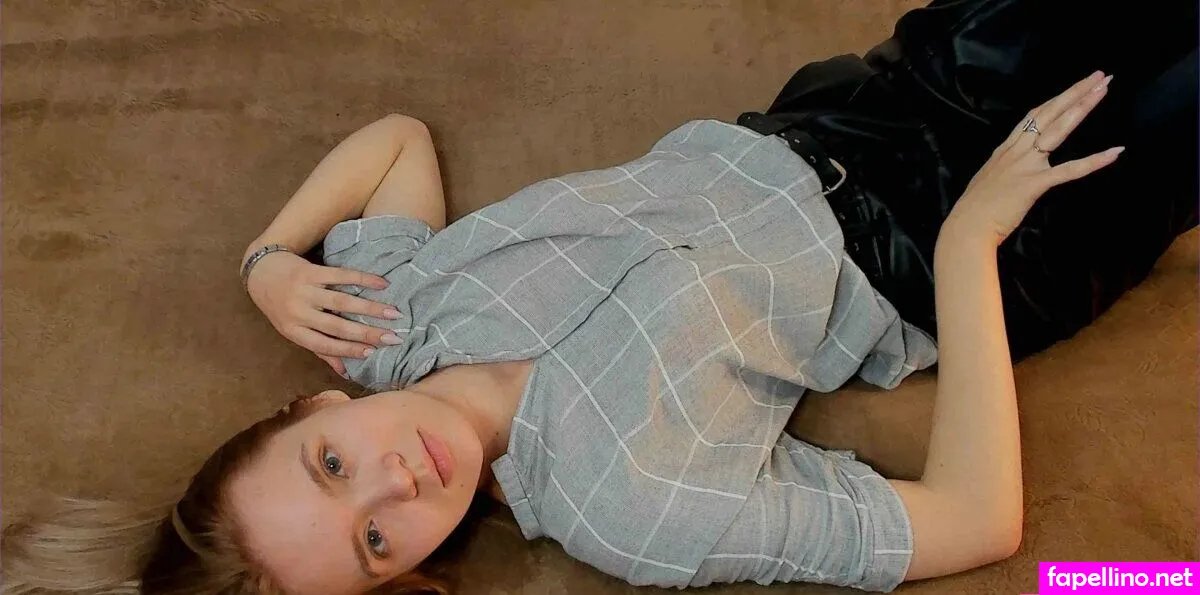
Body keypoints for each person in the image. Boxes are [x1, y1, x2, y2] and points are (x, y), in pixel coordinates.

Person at [3, 1, 1195, 594]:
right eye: (373, 540)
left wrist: (268, 260)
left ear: (311, 407)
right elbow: (981, 521)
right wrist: (975, 241)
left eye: (331, 464)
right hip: (974, 246)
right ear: (404, 575)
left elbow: (395, 139)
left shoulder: (388, 316)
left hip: (862, 107)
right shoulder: (634, 513)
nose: (397, 481)